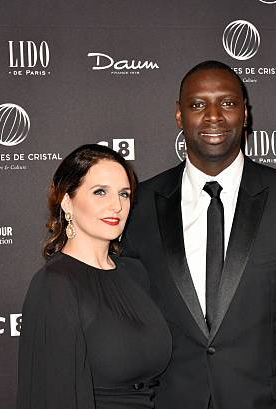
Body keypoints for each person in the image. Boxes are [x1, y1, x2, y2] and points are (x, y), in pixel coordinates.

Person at [123, 61, 276, 409]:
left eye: (228, 103)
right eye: (198, 104)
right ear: (179, 115)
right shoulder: (138, 206)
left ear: (245, 113)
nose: (213, 115)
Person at [16, 144, 171, 409]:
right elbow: (53, 396)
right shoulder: (56, 285)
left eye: (124, 194)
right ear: (67, 201)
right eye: (100, 192)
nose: (117, 206)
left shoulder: (135, 273)